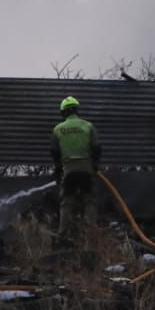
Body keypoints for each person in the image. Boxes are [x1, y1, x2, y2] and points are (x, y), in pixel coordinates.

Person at [51, 96, 102, 242]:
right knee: (89, 200)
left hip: (68, 170)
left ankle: (62, 235)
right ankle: (91, 233)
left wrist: (58, 168)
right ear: (76, 110)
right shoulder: (88, 126)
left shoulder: (58, 129)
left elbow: (54, 151)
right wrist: (95, 164)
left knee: (67, 201)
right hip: (86, 169)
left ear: (63, 113)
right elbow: (97, 147)